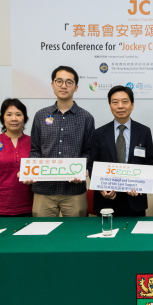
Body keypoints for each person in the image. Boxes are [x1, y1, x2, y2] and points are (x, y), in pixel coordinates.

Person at [27, 66, 95, 217]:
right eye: (59, 81)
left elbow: (89, 151)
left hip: (74, 191)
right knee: (41, 235)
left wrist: (80, 169)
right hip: (43, 190)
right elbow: (35, 150)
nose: (64, 86)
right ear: (52, 84)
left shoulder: (86, 117)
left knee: (76, 236)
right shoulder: (40, 116)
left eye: (69, 82)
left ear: (76, 87)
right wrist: (30, 171)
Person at [88, 86, 153, 217]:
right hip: (106, 199)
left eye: (125, 102)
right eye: (115, 102)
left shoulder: (144, 131)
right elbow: (92, 165)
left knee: (134, 237)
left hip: (135, 199)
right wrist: (101, 188)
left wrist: (140, 185)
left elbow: (150, 162)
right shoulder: (99, 133)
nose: (120, 106)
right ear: (110, 105)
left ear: (132, 105)